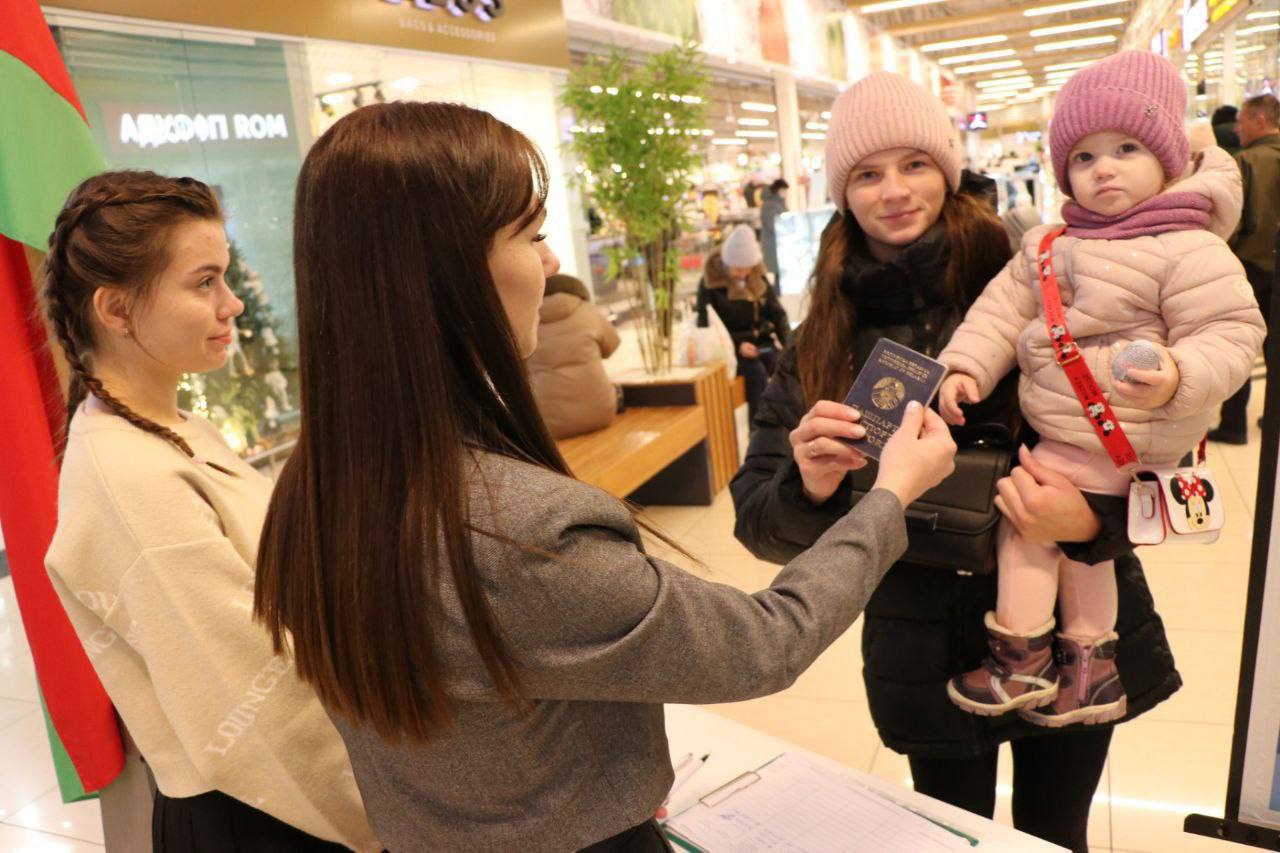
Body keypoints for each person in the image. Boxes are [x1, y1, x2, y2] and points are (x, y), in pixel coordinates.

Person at [250, 100, 958, 853]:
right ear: (443, 269)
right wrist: (888, 494)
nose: (552, 262)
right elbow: (764, 641)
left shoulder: (317, 487)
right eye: (531, 235)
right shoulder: (522, 531)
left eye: (915, 165)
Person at [731, 72, 1182, 853]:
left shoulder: (1042, 278)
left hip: (1073, 632)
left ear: (946, 167)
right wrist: (811, 484)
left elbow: (1155, 450)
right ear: (841, 193)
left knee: (1056, 835)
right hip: (921, 645)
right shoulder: (823, 334)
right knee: (953, 839)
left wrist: (1089, 522)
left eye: (914, 164)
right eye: (866, 174)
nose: (893, 191)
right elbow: (757, 523)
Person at [41, 170, 380, 852]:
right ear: (116, 309)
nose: (233, 303)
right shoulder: (132, 480)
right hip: (273, 814)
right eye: (204, 283)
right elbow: (260, 710)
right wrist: (385, 820)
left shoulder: (168, 424)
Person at [937, 51, 1264, 726]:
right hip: (1071, 428)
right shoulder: (1049, 246)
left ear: (1168, 159)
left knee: (1026, 523)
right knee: (1078, 552)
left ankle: (1019, 660)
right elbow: (999, 314)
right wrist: (966, 366)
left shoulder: (1190, 246)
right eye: (1083, 157)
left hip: (1131, 428)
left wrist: (1178, 374)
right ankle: (1091, 671)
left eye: (1126, 148)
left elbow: (1233, 332)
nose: (1103, 168)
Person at [1210, 93, 1280, 444]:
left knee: (1238, 344)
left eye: (1242, 122)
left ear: (1259, 121)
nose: (1237, 129)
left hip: (1250, 267)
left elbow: (1231, 221)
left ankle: (1233, 425)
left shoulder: (1246, 162)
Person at [696, 224, 791, 420]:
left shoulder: (758, 277)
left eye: (746, 268)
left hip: (761, 344)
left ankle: (785, 424)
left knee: (784, 366)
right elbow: (705, 327)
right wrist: (738, 344)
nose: (742, 273)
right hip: (729, 350)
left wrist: (790, 344)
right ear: (726, 262)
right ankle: (759, 428)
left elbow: (776, 312)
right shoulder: (709, 283)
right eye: (737, 268)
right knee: (755, 372)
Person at [527, 273, 621, 439]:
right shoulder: (588, 311)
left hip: (549, 425)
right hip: (602, 413)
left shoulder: (526, 322)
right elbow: (612, 346)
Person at [760, 177, 790, 285]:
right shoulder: (769, 205)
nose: (785, 193)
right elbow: (773, 225)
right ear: (778, 190)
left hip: (778, 242)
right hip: (773, 244)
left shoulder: (778, 202)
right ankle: (777, 292)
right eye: (784, 190)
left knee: (780, 273)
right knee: (777, 273)